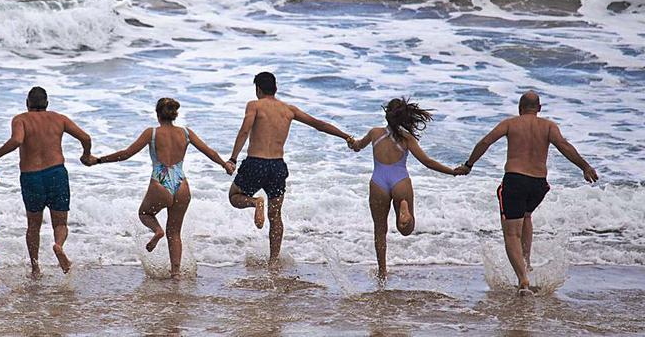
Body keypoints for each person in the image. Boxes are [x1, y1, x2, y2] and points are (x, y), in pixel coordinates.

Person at [455, 91, 598, 295]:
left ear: (519, 108)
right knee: (526, 215)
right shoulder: (549, 126)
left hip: (516, 180)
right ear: (539, 108)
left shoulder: (511, 123)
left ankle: (523, 280)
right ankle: (526, 262)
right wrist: (585, 166)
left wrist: (469, 164)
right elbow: (564, 146)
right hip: (539, 185)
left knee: (511, 234)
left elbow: (486, 142)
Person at [86, 98, 233, 279]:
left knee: (145, 214)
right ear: (174, 115)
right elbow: (209, 151)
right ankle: (176, 273)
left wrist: (98, 160)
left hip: (160, 181)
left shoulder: (152, 133)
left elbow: (126, 154)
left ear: (157, 115)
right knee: (175, 232)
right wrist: (224, 164)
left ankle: (157, 231)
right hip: (181, 183)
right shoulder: (186, 133)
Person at [227, 72, 354, 267]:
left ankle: (255, 202)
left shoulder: (254, 105)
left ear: (258, 89)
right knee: (275, 215)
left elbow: (244, 131)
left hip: (256, 163)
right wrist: (346, 136)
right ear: (275, 88)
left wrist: (233, 158)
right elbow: (319, 125)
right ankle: (273, 261)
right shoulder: (289, 110)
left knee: (234, 196)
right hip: (277, 166)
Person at [0, 86, 92, 278]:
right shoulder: (59, 118)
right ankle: (58, 245)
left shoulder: (21, 119)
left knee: (33, 225)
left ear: (27, 103)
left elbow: (17, 140)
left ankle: (35, 268)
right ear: (47, 104)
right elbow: (86, 137)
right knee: (60, 223)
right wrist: (86, 154)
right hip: (56, 173)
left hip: (31, 176)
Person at [348, 97, 462, 281]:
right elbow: (427, 162)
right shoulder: (406, 138)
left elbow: (358, 146)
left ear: (387, 115)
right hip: (400, 181)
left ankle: (382, 271)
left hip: (378, 183)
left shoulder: (375, 133)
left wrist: (350, 142)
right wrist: (452, 172)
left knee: (380, 230)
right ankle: (404, 210)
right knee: (406, 230)